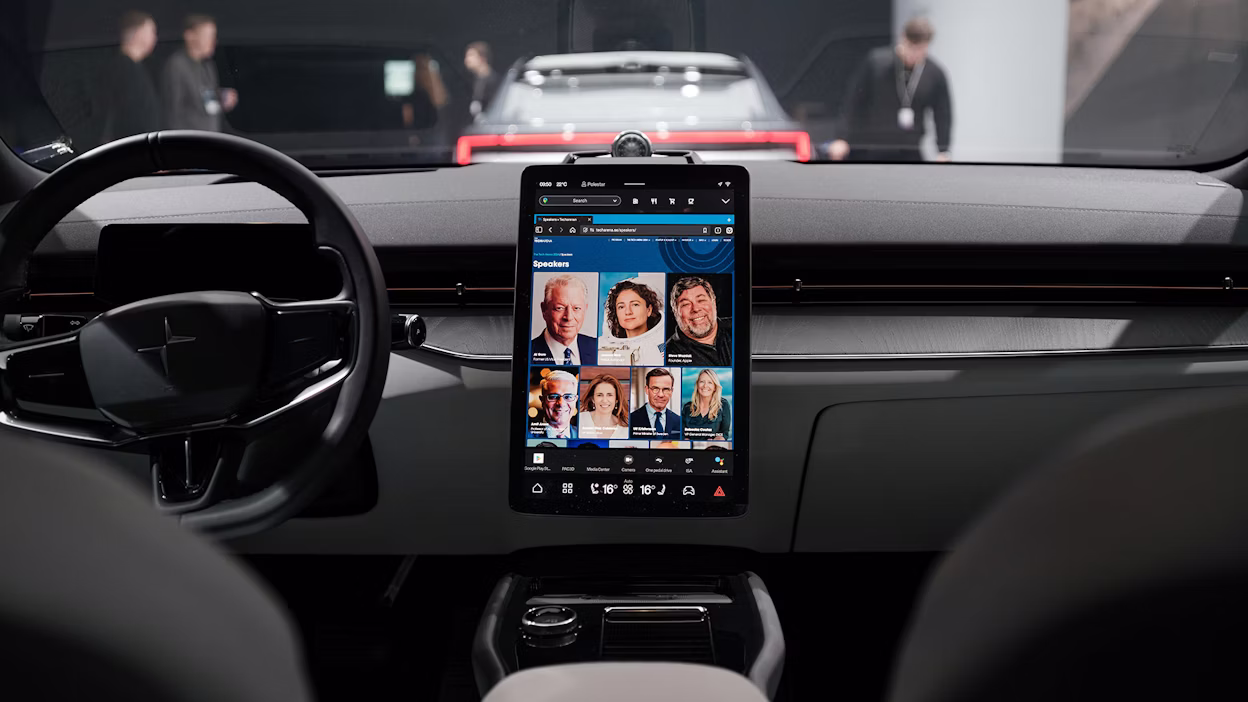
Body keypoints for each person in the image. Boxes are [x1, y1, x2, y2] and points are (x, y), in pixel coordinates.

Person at [827, 17, 952, 163]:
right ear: (903, 38)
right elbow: (853, 102)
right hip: (871, 147)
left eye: (920, 49)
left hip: (910, 149)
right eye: (911, 47)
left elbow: (943, 113)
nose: (914, 54)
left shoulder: (934, 73)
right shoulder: (877, 63)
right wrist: (841, 137)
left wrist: (943, 149)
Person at [161, 14, 238, 131]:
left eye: (213, 36)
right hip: (188, 141)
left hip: (207, 139)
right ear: (190, 35)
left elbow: (204, 102)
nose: (213, 42)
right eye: (207, 36)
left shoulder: (207, 65)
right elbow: (173, 110)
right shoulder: (177, 65)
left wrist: (222, 98)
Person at [98, 11, 161, 143]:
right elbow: (128, 116)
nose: (155, 38)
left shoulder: (135, 67)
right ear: (139, 34)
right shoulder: (123, 68)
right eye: (152, 32)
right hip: (133, 149)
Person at [532, 274, 598, 366]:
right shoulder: (527, 352)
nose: (569, 317)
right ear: (544, 310)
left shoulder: (599, 348)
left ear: (585, 309)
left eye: (576, 308)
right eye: (560, 308)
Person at [665, 276, 731, 367]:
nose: (695, 309)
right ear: (675, 312)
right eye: (686, 304)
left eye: (701, 300)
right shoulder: (667, 354)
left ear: (714, 302)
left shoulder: (740, 328)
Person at [598, 278, 665, 366]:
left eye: (635, 304)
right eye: (621, 307)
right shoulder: (600, 347)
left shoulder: (666, 345)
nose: (628, 312)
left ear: (649, 310)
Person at [629, 368, 681, 439]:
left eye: (666, 389)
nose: (660, 395)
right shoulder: (630, 420)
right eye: (655, 389)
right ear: (647, 390)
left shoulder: (679, 421)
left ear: (671, 391)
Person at [681, 369, 731, 441]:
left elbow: (724, 433)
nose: (705, 386)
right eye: (702, 382)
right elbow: (682, 434)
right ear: (697, 385)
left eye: (710, 382)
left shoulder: (723, 405)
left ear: (715, 387)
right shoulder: (687, 407)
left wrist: (718, 439)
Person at [579, 374, 629, 440]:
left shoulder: (625, 429)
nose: (604, 400)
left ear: (616, 399)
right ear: (593, 399)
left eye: (609, 395)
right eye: (599, 395)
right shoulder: (580, 419)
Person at [531, 370, 578, 439]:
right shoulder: (528, 435)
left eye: (568, 397)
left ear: (575, 400)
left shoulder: (584, 436)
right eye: (553, 397)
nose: (561, 403)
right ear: (542, 400)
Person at [464, 41, 500, 121]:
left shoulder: (493, 80)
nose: (467, 60)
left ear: (482, 58)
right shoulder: (477, 79)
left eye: (471, 55)